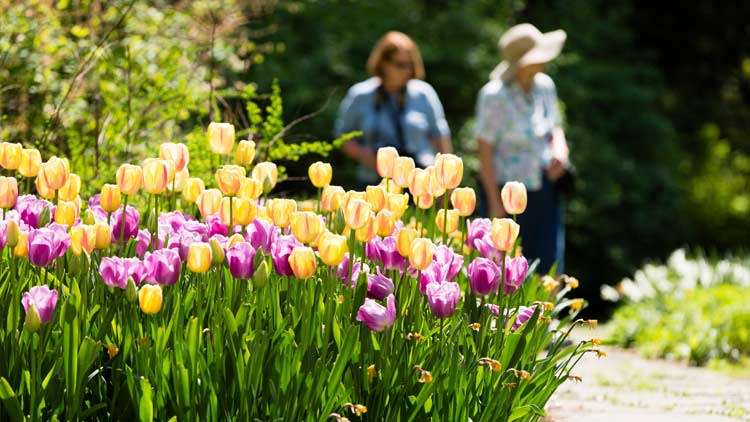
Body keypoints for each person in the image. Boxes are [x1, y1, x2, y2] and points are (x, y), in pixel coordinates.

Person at [475, 23, 571, 274]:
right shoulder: (494, 96)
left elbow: (555, 126)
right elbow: (483, 151)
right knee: (507, 267)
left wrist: (561, 151)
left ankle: (548, 314)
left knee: (548, 263)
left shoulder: (545, 86)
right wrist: (495, 203)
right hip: (505, 192)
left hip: (544, 186)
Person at [335, 31, 452, 186]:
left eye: (411, 64)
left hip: (420, 181)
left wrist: (444, 181)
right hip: (374, 181)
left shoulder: (424, 94)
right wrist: (367, 156)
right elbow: (342, 136)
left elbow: (440, 137)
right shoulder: (360, 95)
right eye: (400, 65)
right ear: (383, 63)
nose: (407, 70)